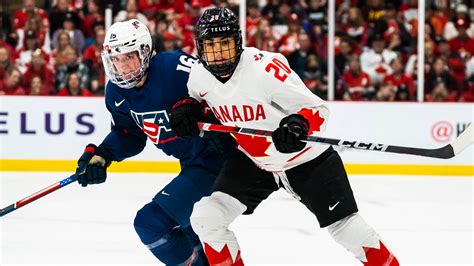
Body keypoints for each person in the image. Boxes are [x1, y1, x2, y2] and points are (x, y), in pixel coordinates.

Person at [169, 8, 399, 265]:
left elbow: (317, 110)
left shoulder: (265, 69)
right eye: (211, 45)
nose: (219, 51)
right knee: (206, 216)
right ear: (200, 47)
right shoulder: (199, 76)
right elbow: (203, 106)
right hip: (255, 162)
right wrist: (189, 111)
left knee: (347, 230)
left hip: (307, 160)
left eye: (225, 42)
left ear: (238, 41)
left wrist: (298, 125)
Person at [76, 18, 235, 265]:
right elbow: (129, 134)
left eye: (128, 56)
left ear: (146, 52)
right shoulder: (116, 92)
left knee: (151, 223)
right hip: (192, 164)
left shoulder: (176, 69)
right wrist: (103, 154)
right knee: (191, 236)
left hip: (218, 158)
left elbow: (228, 94)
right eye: (115, 60)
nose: (122, 66)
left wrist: (202, 111)